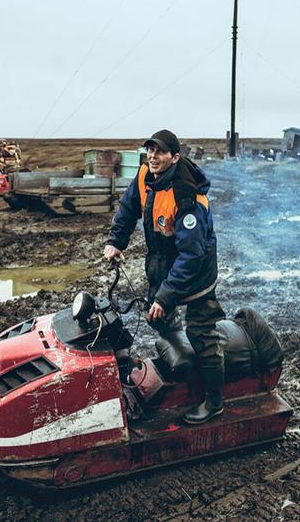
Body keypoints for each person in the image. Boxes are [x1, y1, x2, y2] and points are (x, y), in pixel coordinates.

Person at [104, 129, 225, 424]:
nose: (153, 156)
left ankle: (214, 401)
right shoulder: (146, 174)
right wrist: (116, 242)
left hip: (195, 275)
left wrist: (165, 296)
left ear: (175, 157)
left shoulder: (187, 198)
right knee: (158, 319)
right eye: (150, 150)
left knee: (202, 334)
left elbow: (191, 256)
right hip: (162, 265)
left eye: (160, 152)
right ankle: (185, 372)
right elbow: (128, 206)